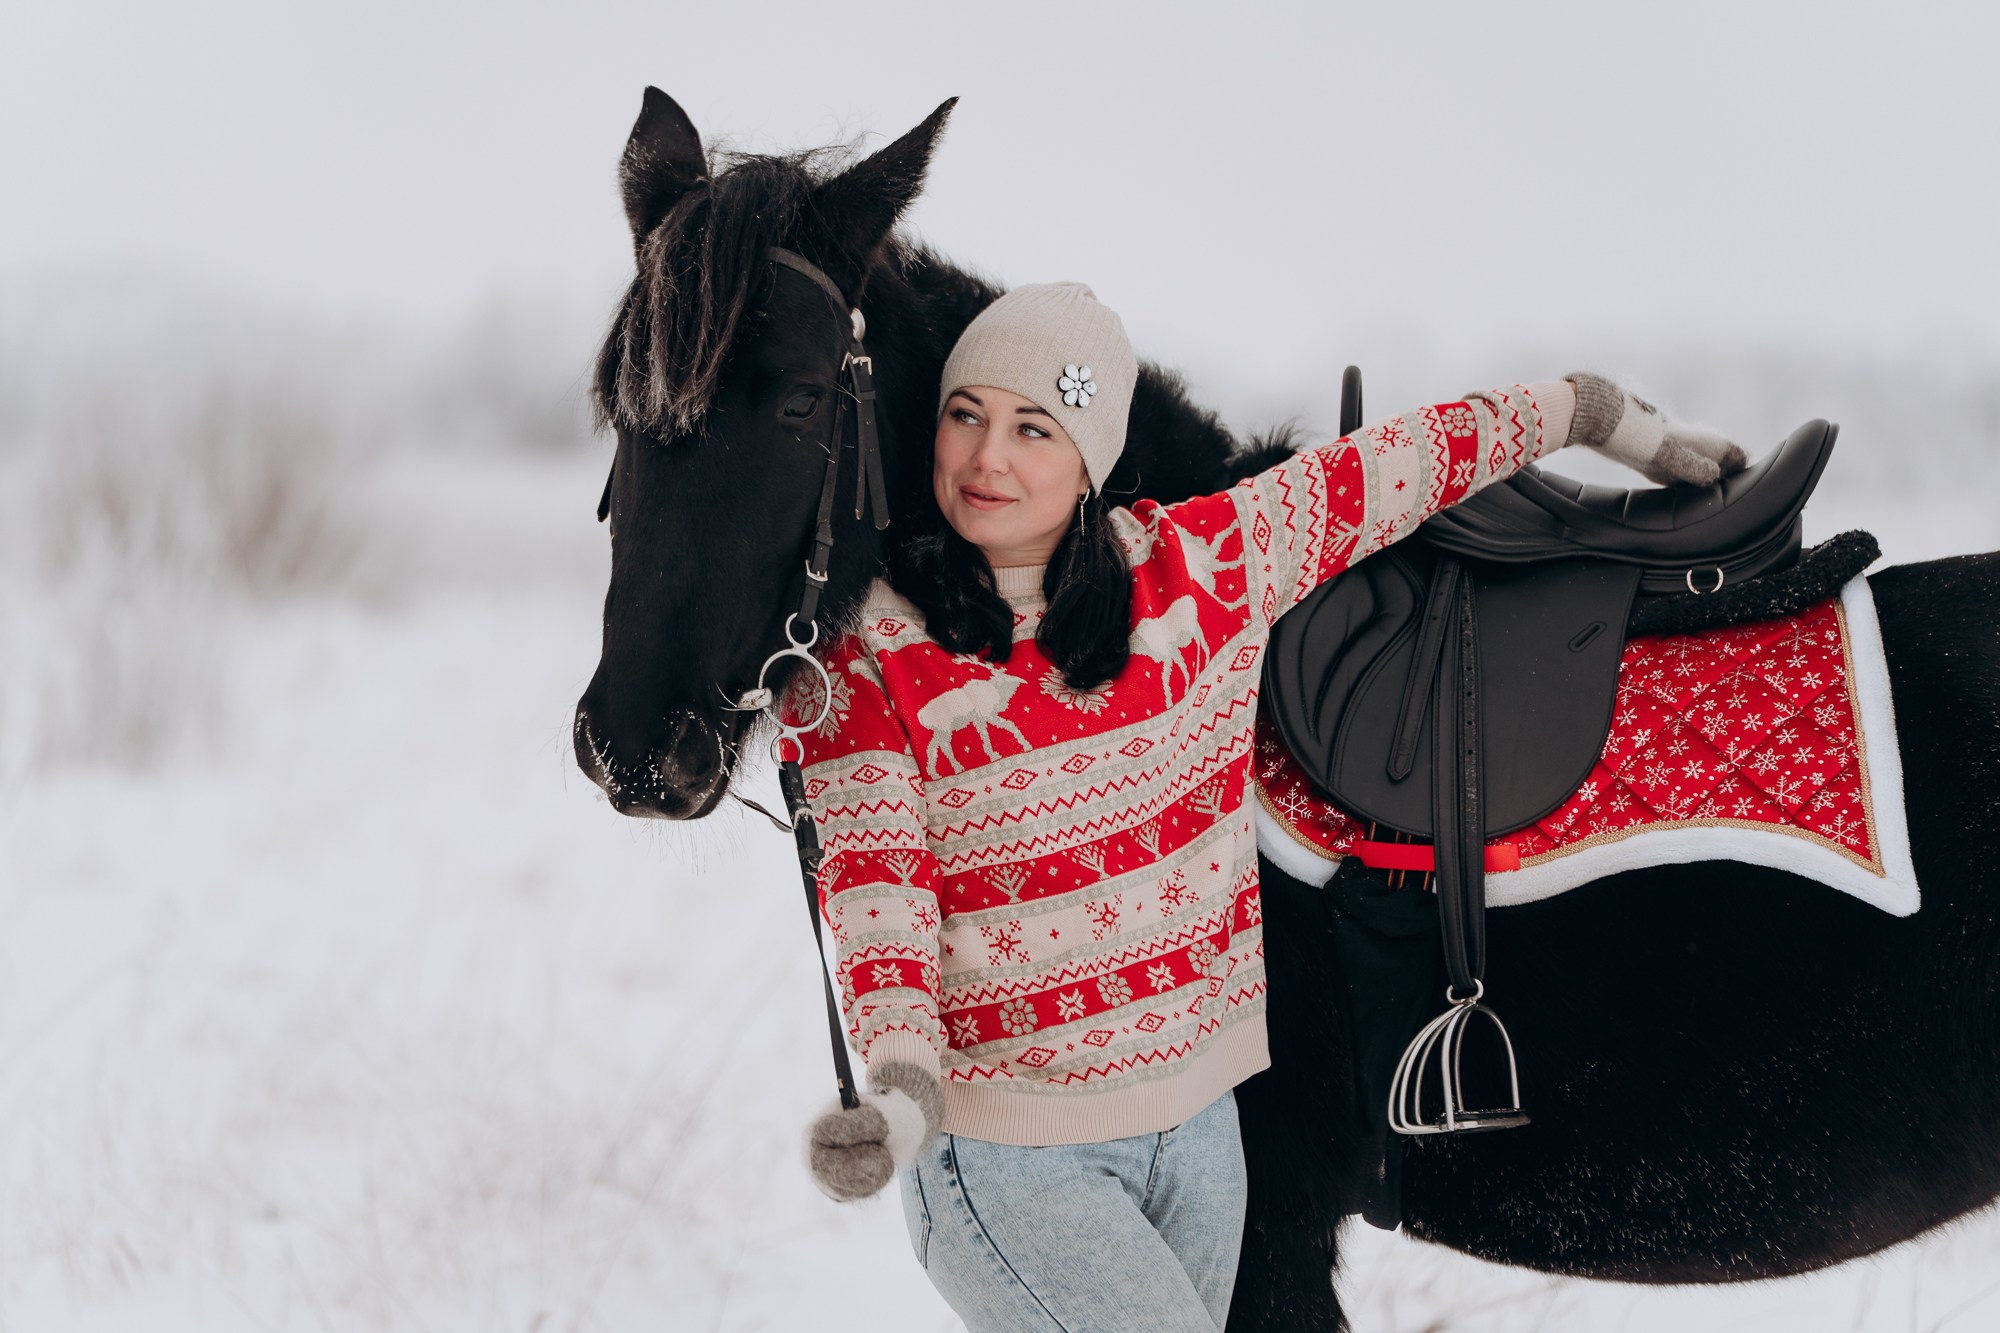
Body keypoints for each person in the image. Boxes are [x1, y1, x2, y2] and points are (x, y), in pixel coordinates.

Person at [790, 282, 1742, 1331]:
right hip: (1012, 1159)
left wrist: (1592, 411)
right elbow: (876, 879)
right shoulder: (868, 650)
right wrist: (900, 1083)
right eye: (965, 415)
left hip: (1199, 1133)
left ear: (1091, 454)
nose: (986, 458)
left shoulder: (1199, 566)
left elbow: (1406, 461)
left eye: (1033, 427)